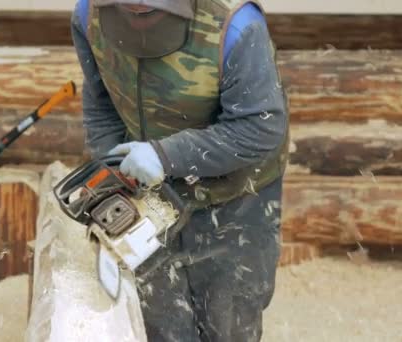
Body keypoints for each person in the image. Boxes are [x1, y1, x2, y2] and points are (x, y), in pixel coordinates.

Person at [71, 0, 289, 341]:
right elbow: (100, 100)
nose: (137, 12)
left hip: (236, 194)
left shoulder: (235, 24)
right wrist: (111, 168)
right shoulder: (88, 15)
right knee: (160, 322)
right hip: (149, 193)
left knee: (228, 319)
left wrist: (166, 155)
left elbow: (259, 127)